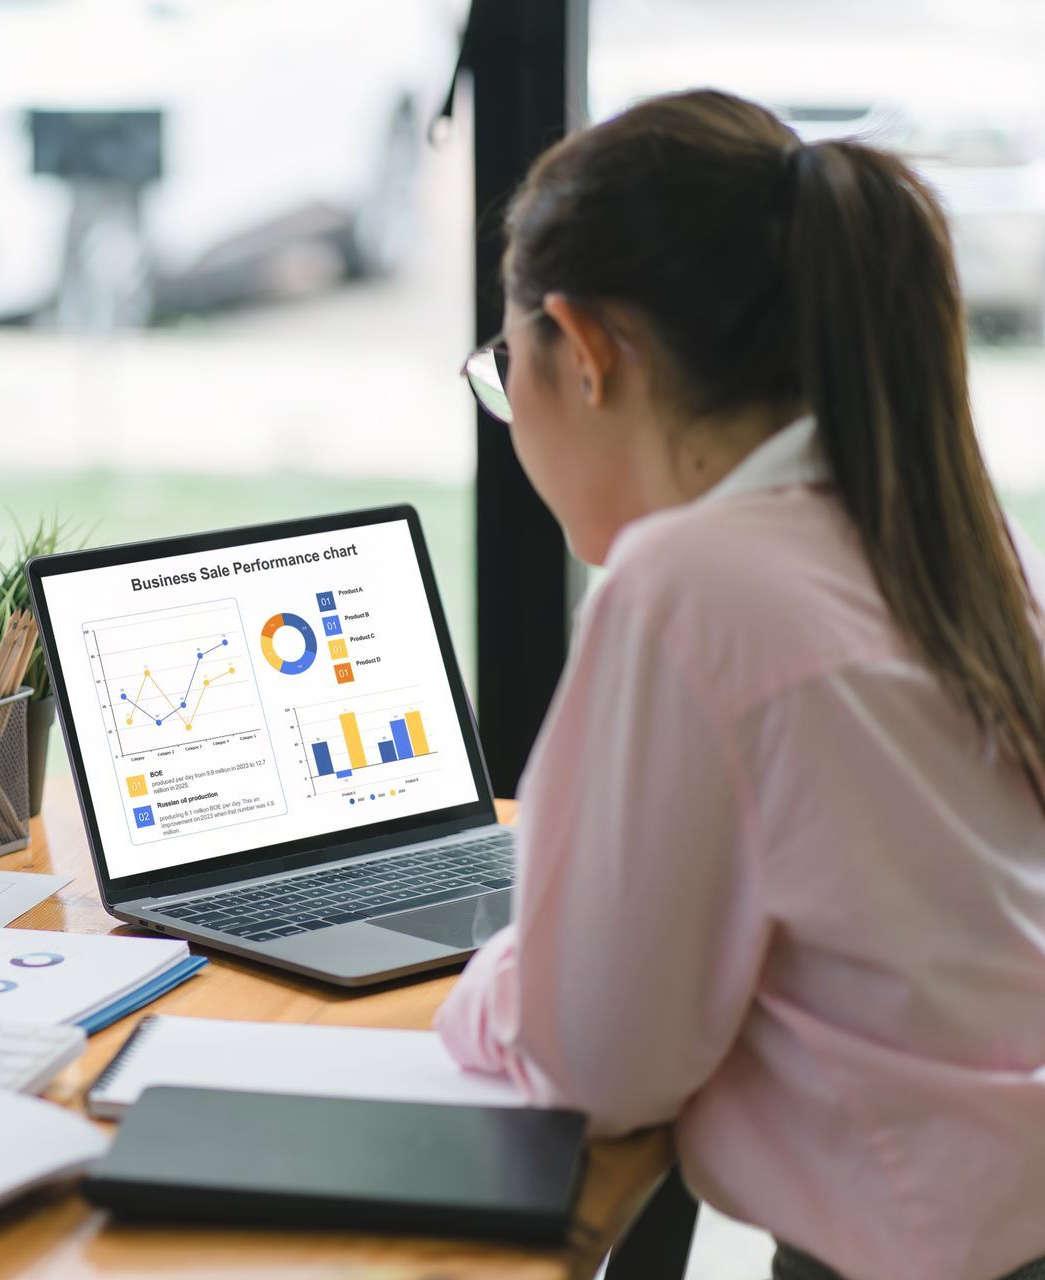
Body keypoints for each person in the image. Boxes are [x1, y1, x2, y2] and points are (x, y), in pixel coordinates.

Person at [436, 90, 1045, 1280]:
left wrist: (490, 973)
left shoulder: (692, 585)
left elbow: (594, 1069)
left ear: (590, 350)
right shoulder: (945, 531)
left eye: (510, 365)